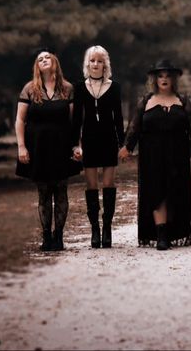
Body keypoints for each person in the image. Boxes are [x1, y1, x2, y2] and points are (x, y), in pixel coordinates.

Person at [119, 60, 191, 250]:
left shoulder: (183, 101)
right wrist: (127, 147)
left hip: (177, 154)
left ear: (173, 79)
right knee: (157, 193)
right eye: (160, 75)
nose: (164, 79)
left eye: (167, 76)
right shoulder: (146, 100)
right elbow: (135, 126)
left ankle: (172, 231)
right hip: (152, 155)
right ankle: (161, 236)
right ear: (155, 79)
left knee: (173, 193)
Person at [15, 48, 81, 251]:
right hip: (38, 146)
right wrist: (21, 146)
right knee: (43, 193)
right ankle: (46, 237)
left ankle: (59, 236)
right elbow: (20, 119)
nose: (44, 60)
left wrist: (77, 145)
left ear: (54, 62)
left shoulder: (67, 88)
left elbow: (75, 121)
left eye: (47, 57)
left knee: (61, 190)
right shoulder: (29, 89)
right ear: (37, 66)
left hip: (62, 146)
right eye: (40, 59)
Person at [71, 45, 125, 248]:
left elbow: (118, 118)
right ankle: (94, 228)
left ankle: (107, 227)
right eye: (92, 60)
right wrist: (75, 145)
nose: (96, 64)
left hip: (109, 140)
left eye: (99, 60)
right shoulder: (80, 87)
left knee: (108, 184)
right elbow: (76, 119)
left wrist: (124, 144)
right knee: (91, 186)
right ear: (87, 63)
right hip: (90, 141)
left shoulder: (115, 87)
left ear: (105, 64)